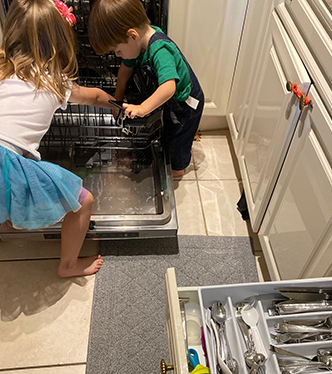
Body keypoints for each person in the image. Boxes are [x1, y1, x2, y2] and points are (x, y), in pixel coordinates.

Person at [0, 0, 118, 277]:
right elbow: (95, 96)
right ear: (59, 41)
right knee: (82, 201)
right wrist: (118, 105)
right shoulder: (53, 80)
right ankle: (68, 265)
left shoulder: (2, 70)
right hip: (8, 161)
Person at [88, 0, 204, 178]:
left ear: (132, 36)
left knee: (178, 136)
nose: (117, 55)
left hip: (186, 103)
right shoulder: (138, 43)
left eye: (117, 51)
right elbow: (124, 71)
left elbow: (169, 87)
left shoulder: (160, 50)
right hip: (174, 102)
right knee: (171, 132)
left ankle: (178, 168)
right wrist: (117, 100)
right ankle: (182, 147)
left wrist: (142, 108)